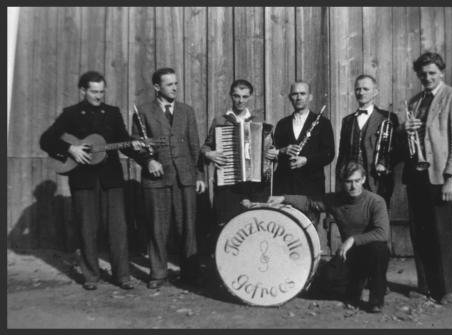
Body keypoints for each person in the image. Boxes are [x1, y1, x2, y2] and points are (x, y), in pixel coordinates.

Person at [40, 71, 144, 290]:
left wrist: (141, 151)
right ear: (83, 91)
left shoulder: (113, 113)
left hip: (112, 180)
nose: (98, 96)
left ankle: (122, 275)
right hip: (83, 179)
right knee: (87, 228)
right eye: (94, 91)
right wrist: (71, 148)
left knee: (118, 228)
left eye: (101, 91)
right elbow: (46, 139)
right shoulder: (71, 114)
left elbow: (124, 141)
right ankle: (91, 276)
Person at [268, 162, 390, 313]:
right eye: (349, 182)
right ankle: (357, 283)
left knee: (379, 248)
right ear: (342, 182)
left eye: (357, 181)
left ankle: (376, 299)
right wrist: (283, 198)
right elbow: (309, 202)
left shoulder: (376, 201)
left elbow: (382, 233)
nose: (353, 186)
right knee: (319, 287)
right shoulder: (336, 200)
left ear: (364, 179)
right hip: (349, 255)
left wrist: (352, 240)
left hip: (371, 253)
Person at [402, 52, 452, 304]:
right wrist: (403, 131)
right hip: (416, 177)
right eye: (423, 74)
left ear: (441, 72)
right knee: (420, 234)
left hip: (439, 177)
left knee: (442, 235)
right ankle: (425, 286)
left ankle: (448, 290)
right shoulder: (415, 101)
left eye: (432, 73)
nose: (427, 77)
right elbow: (409, 142)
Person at [131, 67, 206, 289]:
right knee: (157, 227)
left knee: (188, 228)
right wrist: (148, 161)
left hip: (185, 178)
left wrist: (199, 175)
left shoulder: (186, 111)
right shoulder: (143, 111)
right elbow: (136, 144)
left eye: (176, 83)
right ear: (157, 87)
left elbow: (195, 145)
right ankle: (158, 274)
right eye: (169, 84)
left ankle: (190, 274)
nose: (174, 88)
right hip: (156, 180)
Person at [201, 79, 278, 228]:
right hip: (229, 183)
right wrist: (209, 154)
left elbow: (271, 149)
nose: (240, 100)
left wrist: (273, 154)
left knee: (254, 224)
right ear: (231, 96)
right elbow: (205, 147)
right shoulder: (220, 121)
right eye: (237, 96)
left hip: (254, 184)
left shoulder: (259, 121)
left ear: (250, 97)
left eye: (244, 97)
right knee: (228, 225)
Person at [335, 74, 399, 207]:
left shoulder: (387, 118)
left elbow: (395, 149)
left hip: (376, 180)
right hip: (352, 181)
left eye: (365, 89)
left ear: (375, 92)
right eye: (358, 89)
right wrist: (340, 179)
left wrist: (383, 164)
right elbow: (342, 153)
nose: (361, 92)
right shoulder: (347, 120)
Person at [273, 81, 335, 197]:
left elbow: (329, 154)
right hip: (284, 186)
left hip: (311, 187)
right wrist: (283, 150)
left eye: (303, 93)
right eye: (295, 94)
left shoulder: (322, 123)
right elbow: (273, 152)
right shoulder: (282, 124)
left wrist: (306, 160)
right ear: (290, 97)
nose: (299, 97)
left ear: (310, 97)